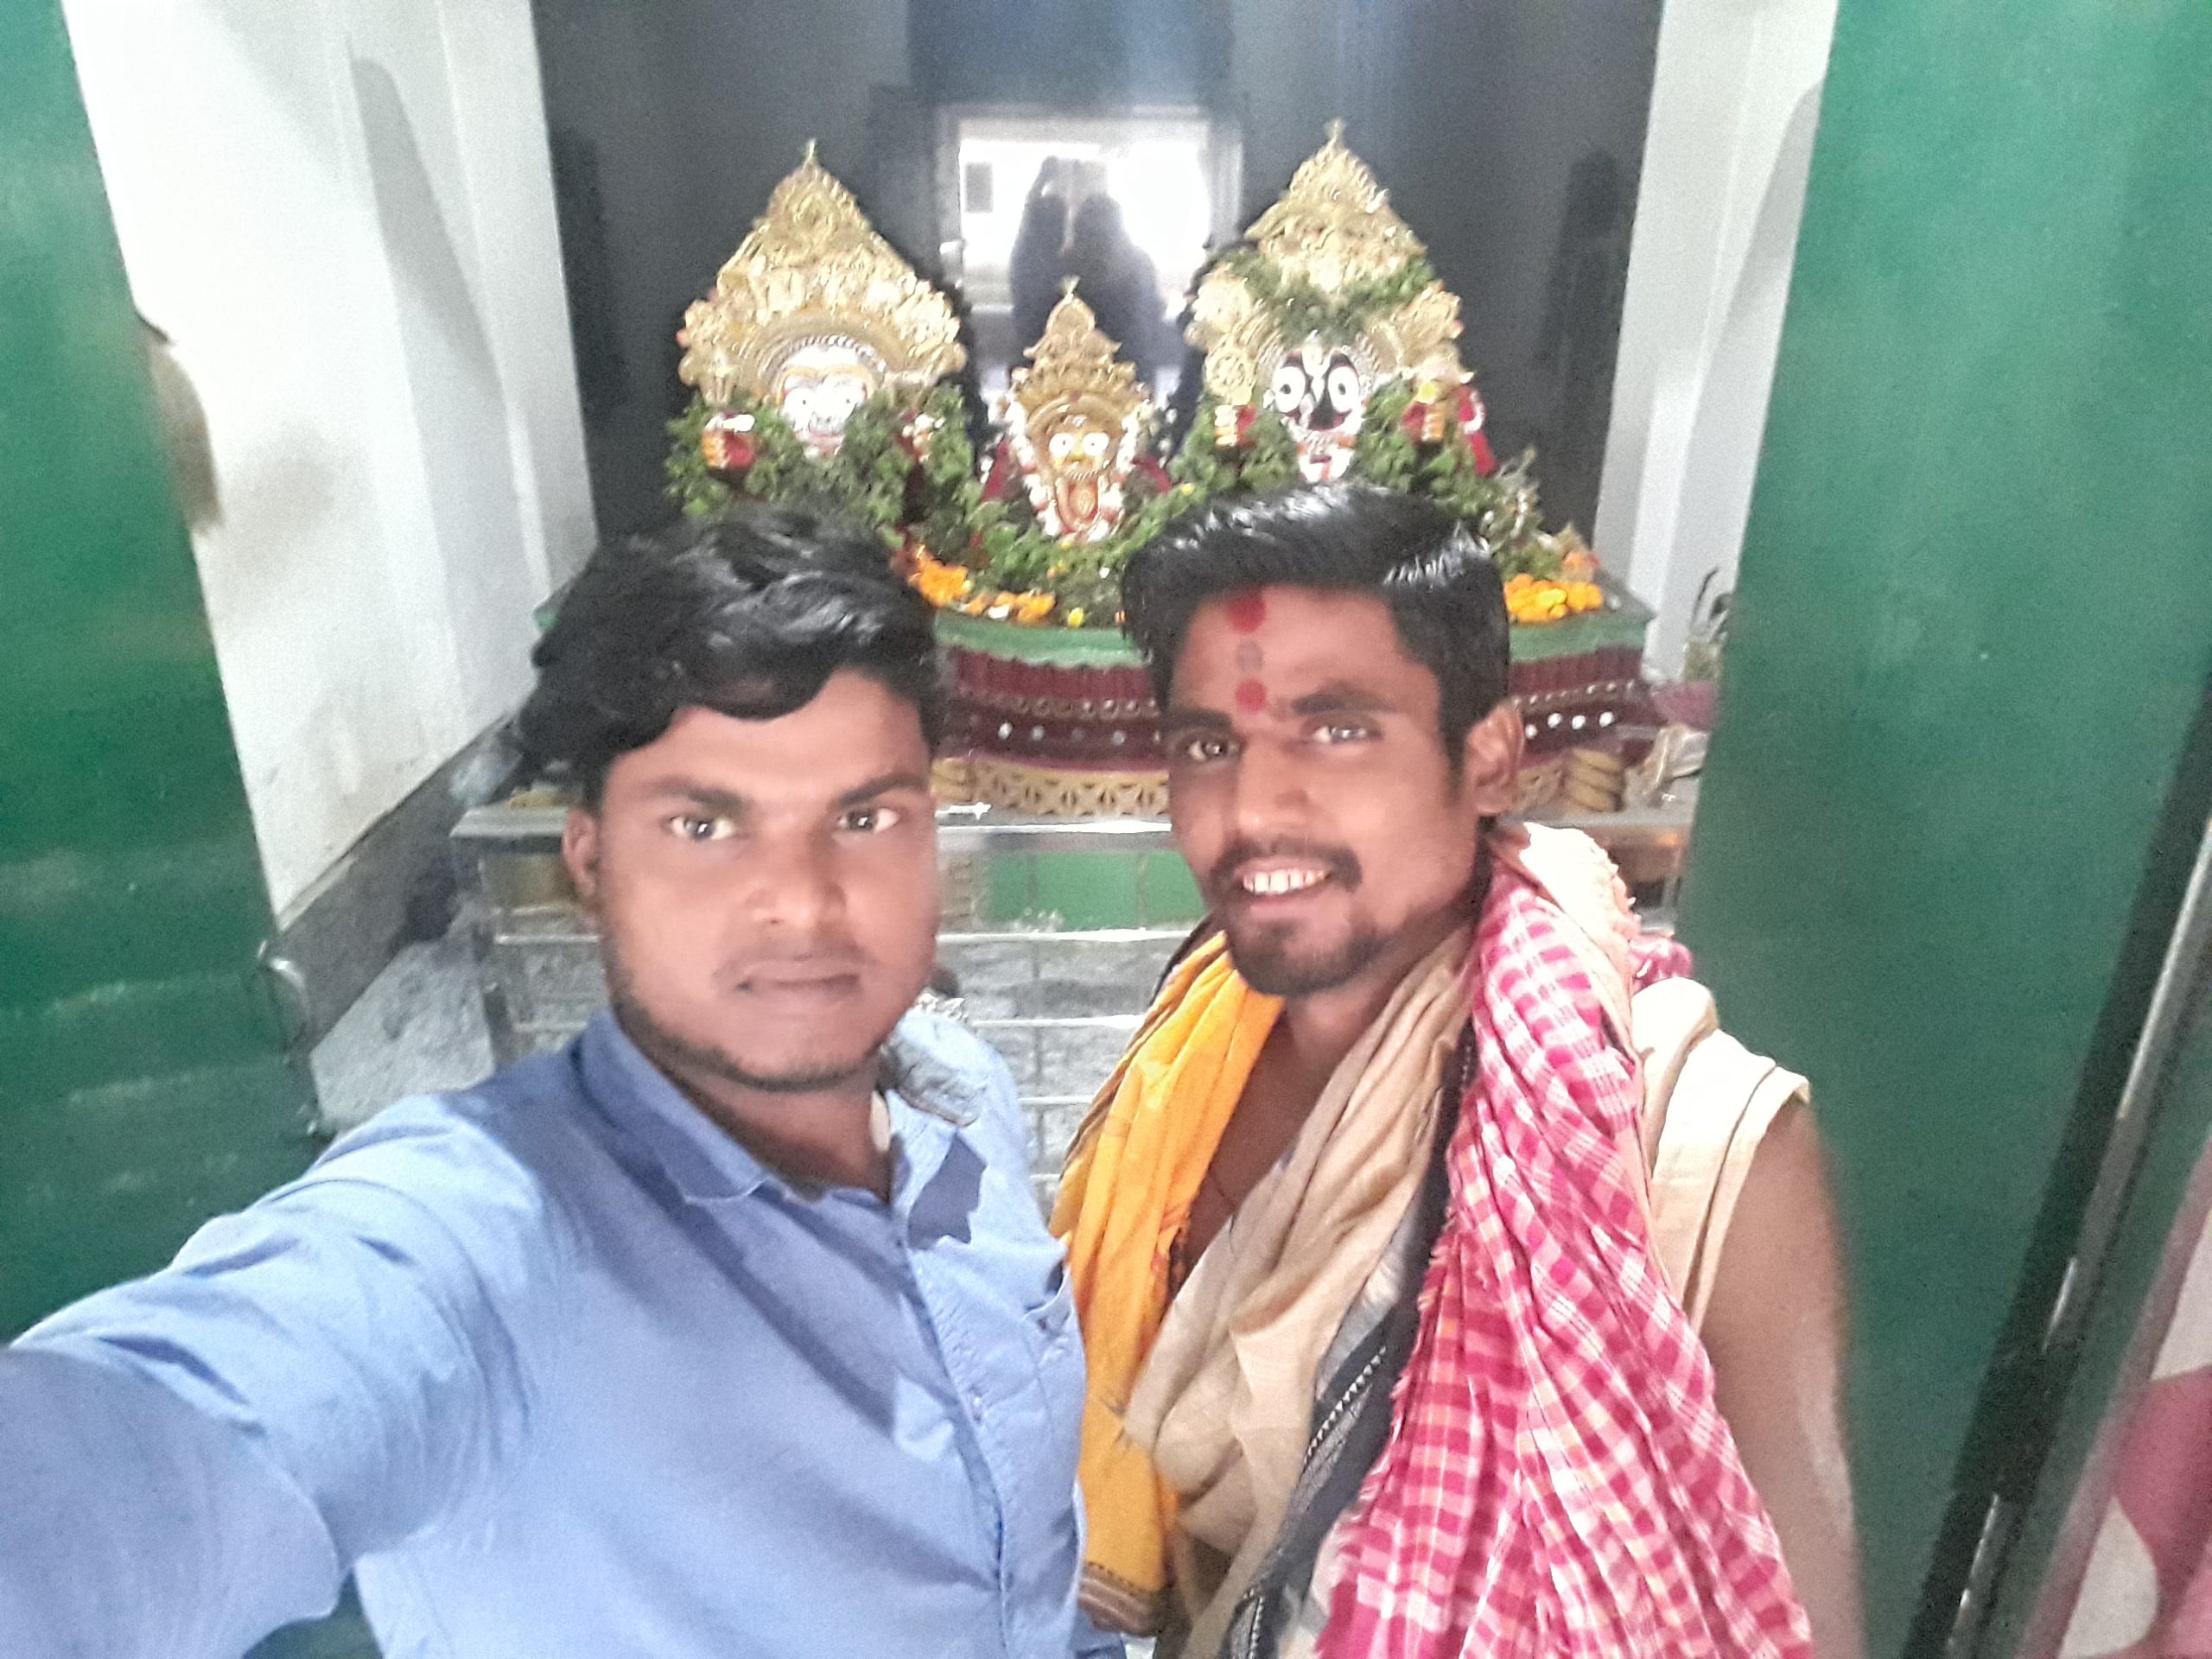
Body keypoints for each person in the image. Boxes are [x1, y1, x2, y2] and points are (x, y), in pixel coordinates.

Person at [0, 506, 1116, 1659]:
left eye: (864, 816)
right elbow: (150, 1453)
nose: (801, 902)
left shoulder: (960, 1097)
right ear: (590, 863)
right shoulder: (483, 1245)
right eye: (704, 825)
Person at [1053, 484, 1861, 1659]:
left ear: (1488, 759)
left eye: (1338, 730)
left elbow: (1800, 1625)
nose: (1253, 808)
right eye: (1210, 746)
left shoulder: (1695, 1149)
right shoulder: (1188, 1050)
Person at [1064, 192, 1166, 385]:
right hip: (1133, 362)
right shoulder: (1140, 261)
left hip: (1081, 368)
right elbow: (1153, 310)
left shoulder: (1068, 263)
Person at [1012, 168, 1071, 356]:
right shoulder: (1061, 265)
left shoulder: (1023, 257)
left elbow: (1030, 210)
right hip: (1055, 349)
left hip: (1026, 342)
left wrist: (1042, 177)